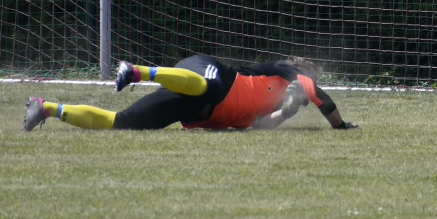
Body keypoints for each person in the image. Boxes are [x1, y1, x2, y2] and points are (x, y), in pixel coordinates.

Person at [23, 54, 359, 131]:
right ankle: (138, 71)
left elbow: (258, 126)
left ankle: (47, 108)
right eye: (314, 75)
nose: (314, 81)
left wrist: (287, 112)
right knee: (206, 85)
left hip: (203, 108)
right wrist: (342, 127)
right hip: (209, 74)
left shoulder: (286, 100)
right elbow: (325, 102)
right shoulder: (289, 73)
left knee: (122, 123)